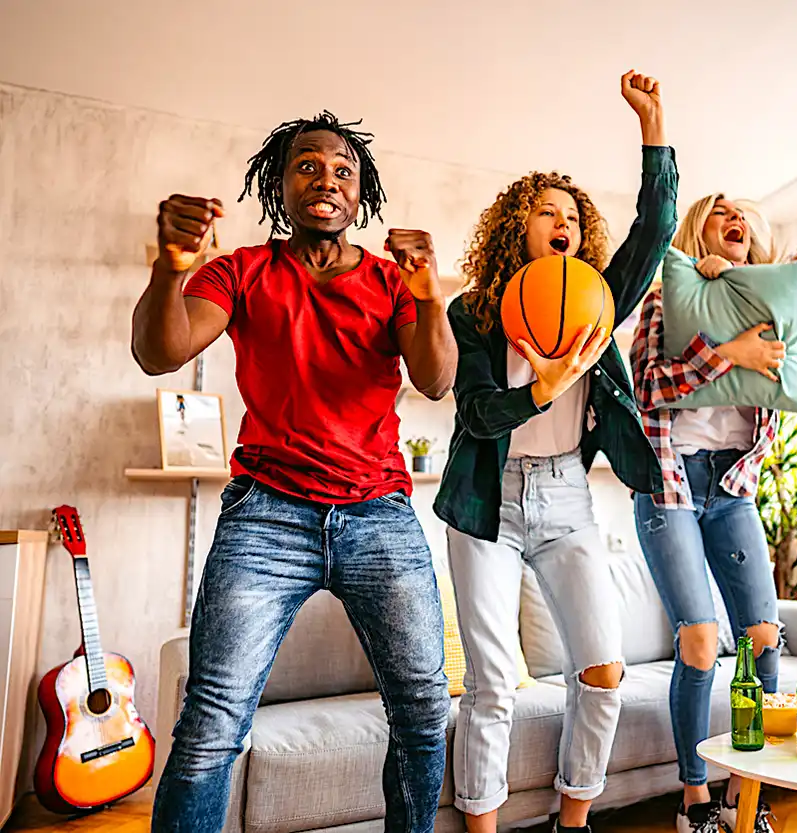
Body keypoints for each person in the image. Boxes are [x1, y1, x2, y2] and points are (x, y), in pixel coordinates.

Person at [131, 111, 456, 833]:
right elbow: (162, 350)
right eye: (308, 165)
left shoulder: (389, 280)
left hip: (379, 513)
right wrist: (170, 267)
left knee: (425, 709)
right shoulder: (241, 269)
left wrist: (430, 296)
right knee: (213, 718)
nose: (327, 179)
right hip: (266, 512)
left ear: (359, 193)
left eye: (344, 170)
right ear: (281, 185)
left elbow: (435, 379)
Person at [433, 71, 676, 833]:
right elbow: (474, 411)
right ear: (520, 227)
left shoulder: (600, 298)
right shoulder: (472, 312)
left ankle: (573, 821)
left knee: (602, 672)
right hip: (487, 503)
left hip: (568, 498)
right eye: (546, 211)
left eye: (571, 213)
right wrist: (541, 387)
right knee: (494, 681)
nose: (562, 220)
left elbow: (658, 224)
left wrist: (653, 123)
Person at [630, 195, 797, 833]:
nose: (735, 220)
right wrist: (728, 355)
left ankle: (749, 794)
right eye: (720, 214)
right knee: (702, 641)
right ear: (697, 231)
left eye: (744, 215)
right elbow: (647, 389)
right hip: (670, 485)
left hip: (734, 486)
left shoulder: (771, 308)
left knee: (766, 640)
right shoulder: (665, 300)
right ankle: (694, 801)